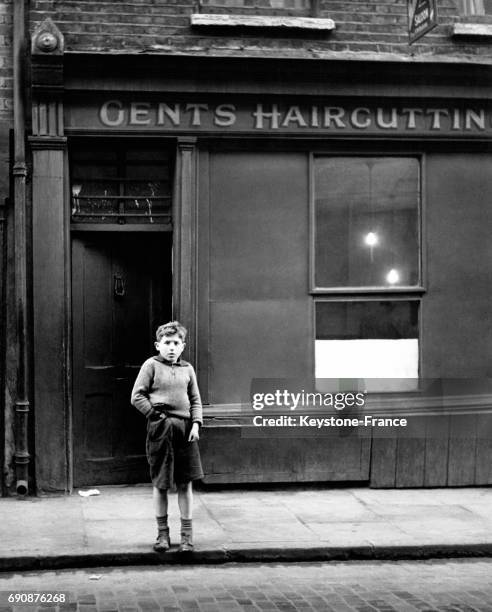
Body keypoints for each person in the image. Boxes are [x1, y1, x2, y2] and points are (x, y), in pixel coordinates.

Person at [131, 321, 203, 553]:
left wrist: (196, 424)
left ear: (183, 346)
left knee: (185, 482)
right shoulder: (151, 365)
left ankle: (186, 536)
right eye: (167, 343)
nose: (171, 347)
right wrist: (155, 415)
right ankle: (163, 535)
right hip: (161, 430)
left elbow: (195, 400)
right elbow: (137, 396)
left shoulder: (188, 369)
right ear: (158, 345)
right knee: (161, 483)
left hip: (185, 431)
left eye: (176, 343)